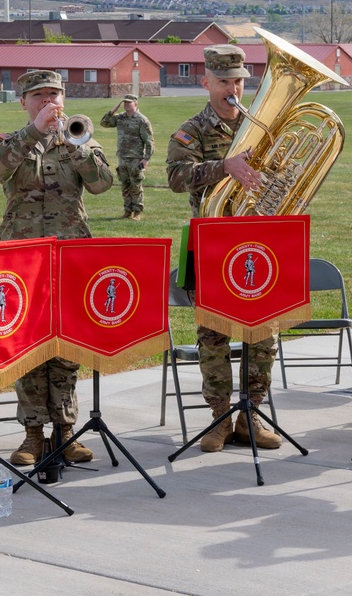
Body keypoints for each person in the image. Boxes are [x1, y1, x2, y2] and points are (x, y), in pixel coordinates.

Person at [0, 70, 115, 466]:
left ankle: (66, 430)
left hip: (70, 256)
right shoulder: (5, 142)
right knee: (28, 345)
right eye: (38, 95)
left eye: (54, 94)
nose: (47, 101)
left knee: (66, 347)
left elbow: (103, 184)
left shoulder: (80, 139)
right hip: (21, 258)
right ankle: (32, 434)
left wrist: (74, 145)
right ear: (23, 102)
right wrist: (34, 134)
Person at [165, 45, 282, 453]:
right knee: (212, 336)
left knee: (263, 334)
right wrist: (224, 166)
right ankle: (218, 419)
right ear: (206, 83)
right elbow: (177, 178)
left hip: (257, 244)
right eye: (223, 82)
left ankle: (252, 416)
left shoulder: (262, 127)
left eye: (238, 81)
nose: (232, 89)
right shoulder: (191, 130)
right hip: (210, 244)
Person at [100, 94, 154, 220]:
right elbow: (104, 123)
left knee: (136, 185)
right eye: (124, 103)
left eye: (129, 103)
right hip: (122, 157)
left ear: (135, 104)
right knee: (125, 185)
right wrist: (113, 111)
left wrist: (146, 158)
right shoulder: (120, 118)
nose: (126, 105)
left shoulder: (142, 120)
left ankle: (137, 212)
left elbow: (149, 141)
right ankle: (127, 210)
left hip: (135, 158)